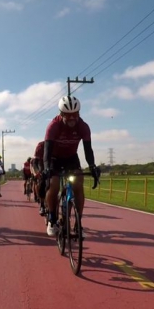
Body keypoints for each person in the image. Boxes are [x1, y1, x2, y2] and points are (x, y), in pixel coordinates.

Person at [43, 95, 99, 237]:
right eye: (68, 115)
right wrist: (47, 168)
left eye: (75, 114)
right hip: (54, 158)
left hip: (71, 158)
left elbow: (88, 150)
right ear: (61, 114)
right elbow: (47, 151)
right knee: (54, 184)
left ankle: (78, 223)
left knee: (78, 184)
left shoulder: (83, 127)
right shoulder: (53, 126)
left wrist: (92, 166)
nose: (72, 118)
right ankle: (52, 219)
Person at [30, 141, 46, 215]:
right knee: (41, 183)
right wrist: (36, 173)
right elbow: (34, 165)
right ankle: (42, 205)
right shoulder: (41, 146)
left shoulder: (57, 145)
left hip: (51, 166)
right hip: (40, 167)